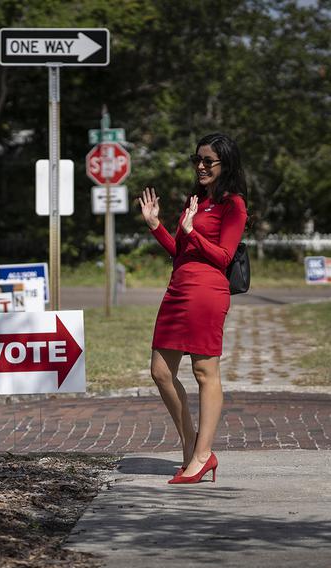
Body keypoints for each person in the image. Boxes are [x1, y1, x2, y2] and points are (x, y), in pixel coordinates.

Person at [138, 133, 247, 485]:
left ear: (224, 164)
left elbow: (224, 257)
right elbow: (179, 251)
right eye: (196, 159)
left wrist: (194, 234)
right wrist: (156, 226)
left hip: (207, 292)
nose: (200, 166)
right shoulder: (194, 200)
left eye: (208, 161)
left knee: (204, 372)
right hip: (178, 289)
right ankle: (191, 446)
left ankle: (202, 455)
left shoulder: (234, 206)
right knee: (160, 371)